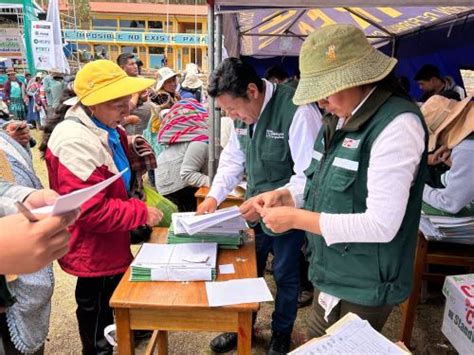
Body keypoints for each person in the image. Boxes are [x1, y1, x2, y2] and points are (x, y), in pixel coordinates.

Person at [252, 24, 427, 341]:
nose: (320, 102)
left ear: (358, 78)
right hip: (329, 270)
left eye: (326, 90)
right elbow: (315, 180)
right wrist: (285, 195)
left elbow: (382, 224)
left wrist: (296, 219)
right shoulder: (336, 118)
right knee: (321, 341)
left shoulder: (398, 126)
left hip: (365, 282)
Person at [197, 57, 322, 354]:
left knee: (285, 275)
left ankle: (281, 332)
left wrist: (278, 197)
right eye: (225, 111)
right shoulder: (243, 115)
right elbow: (232, 159)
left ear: (252, 91)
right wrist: (213, 197)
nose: (231, 115)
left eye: (232, 109)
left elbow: (311, 176)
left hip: (288, 213)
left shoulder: (298, 111)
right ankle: (242, 327)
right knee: (245, 270)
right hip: (252, 212)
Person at [42, 60, 163, 354]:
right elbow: (90, 211)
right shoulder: (73, 141)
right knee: (94, 300)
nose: (126, 109)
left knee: (113, 290)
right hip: (92, 242)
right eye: (117, 103)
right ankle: (97, 348)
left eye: (127, 100)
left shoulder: (106, 126)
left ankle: (119, 333)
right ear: (93, 104)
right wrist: (140, 212)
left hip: (111, 235)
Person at [421, 94, 474, 214]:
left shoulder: (466, 149)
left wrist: (416, 187)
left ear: (442, 131)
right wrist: (451, 145)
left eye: (438, 140)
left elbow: (450, 204)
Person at [155, 99, 209, 212]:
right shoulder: (199, 141)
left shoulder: (187, 135)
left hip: (166, 181)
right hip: (176, 188)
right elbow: (187, 174)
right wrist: (215, 182)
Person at [117, 52, 154, 135]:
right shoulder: (120, 85)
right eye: (131, 64)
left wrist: (143, 98)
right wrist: (137, 94)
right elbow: (127, 108)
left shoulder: (140, 80)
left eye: (135, 63)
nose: (136, 66)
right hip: (131, 131)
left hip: (144, 129)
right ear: (122, 68)